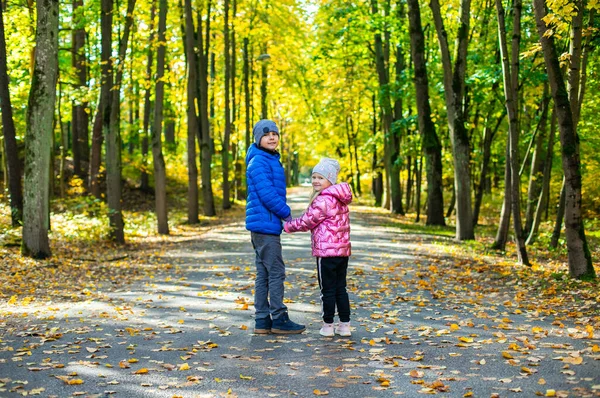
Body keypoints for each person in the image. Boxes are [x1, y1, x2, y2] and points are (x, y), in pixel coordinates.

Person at [245, 119, 306, 335]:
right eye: (266, 134)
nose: (272, 137)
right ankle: (279, 317)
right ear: (258, 139)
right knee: (276, 271)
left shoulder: (268, 159)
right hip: (265, 225)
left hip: (265, 224)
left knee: (264, 272)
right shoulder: (259, 162)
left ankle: (262, 320)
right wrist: (286, 214)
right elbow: (268, 194)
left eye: (275, 134)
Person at [284, 158, 353, 337]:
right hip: (342, 252)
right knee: (340, 288)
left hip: (326, 253)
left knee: (327, 290)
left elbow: (307, 222)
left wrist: (287, 226)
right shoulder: (340, 199)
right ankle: (345, 325)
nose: (315, 180)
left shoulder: (323, 200)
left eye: (320, 178)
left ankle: (328, 325)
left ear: (330, 180)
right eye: (314, 177)